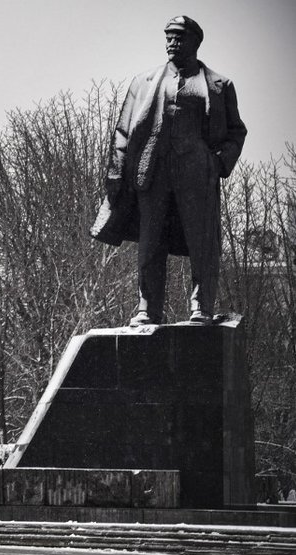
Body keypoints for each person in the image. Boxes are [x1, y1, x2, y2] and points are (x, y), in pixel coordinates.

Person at [90, 16, 247, 327]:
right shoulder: (144, 82)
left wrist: (216, 162)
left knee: (201, 242)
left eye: (179, 38)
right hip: (153, 172)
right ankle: (147, 308)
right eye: (168, 38)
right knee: (151, 242)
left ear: (194, 42)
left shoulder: (219, 85)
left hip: (196, 174)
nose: (172, 43)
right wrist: (116, 174)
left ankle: (201, 307)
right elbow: (123, 132)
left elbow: (235, 132)